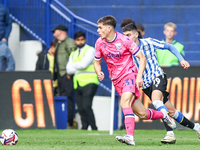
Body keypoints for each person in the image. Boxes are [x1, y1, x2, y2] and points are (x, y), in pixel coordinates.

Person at [94, 15, 176, 146]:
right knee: (142, 114)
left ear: (109, 28)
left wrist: (138, 77)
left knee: (124, 103)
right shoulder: (99, 43)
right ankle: (164, 115)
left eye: (100, 27)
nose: (98, 30)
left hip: (129, 75)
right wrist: (99, 72)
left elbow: (142, 58)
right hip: (117, 80)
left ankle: (130, 137)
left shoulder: (125, 41)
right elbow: (97, 61)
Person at [122, 23, 200, 144]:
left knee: (156, 101)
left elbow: (170, 47)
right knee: (171, 111)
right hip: (146, 84)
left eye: (129, 35)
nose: (126, 38)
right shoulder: (127, 50)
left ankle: (170, 133)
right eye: (124, 36)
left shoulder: (148, 42)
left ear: (136, 34)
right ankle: (197, 128)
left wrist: (181, 59)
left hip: (158, 76)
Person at [67, 31, 99, 130]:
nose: (80, 42)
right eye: (78, 40)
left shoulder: (90, 50)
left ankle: (94, 127)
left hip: (90, 82)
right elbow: (68, 70)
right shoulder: (73, 53)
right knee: (80, 108)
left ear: (85, 40)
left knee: (86, 106)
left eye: (82, 40)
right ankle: (84, 126)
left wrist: (74, 66)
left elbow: (84, 64)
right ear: (75, 41)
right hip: (78, 83)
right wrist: (78, 66)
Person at [52, 24, 77, 128]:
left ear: (60, 31)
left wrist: (69, 73)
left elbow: (74, 57)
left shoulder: (69, 42)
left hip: (67, 75)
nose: (53, 34)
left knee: (68, 98)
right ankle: (64, 121)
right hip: (61, 76)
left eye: (55, 31)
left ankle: (69, 122)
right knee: (63, 97)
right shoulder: (59, 43)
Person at [0, 4, 15, 71]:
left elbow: (9, 24)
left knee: (4, 63)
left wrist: (5, 38)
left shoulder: (3, 8)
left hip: (2, 41)